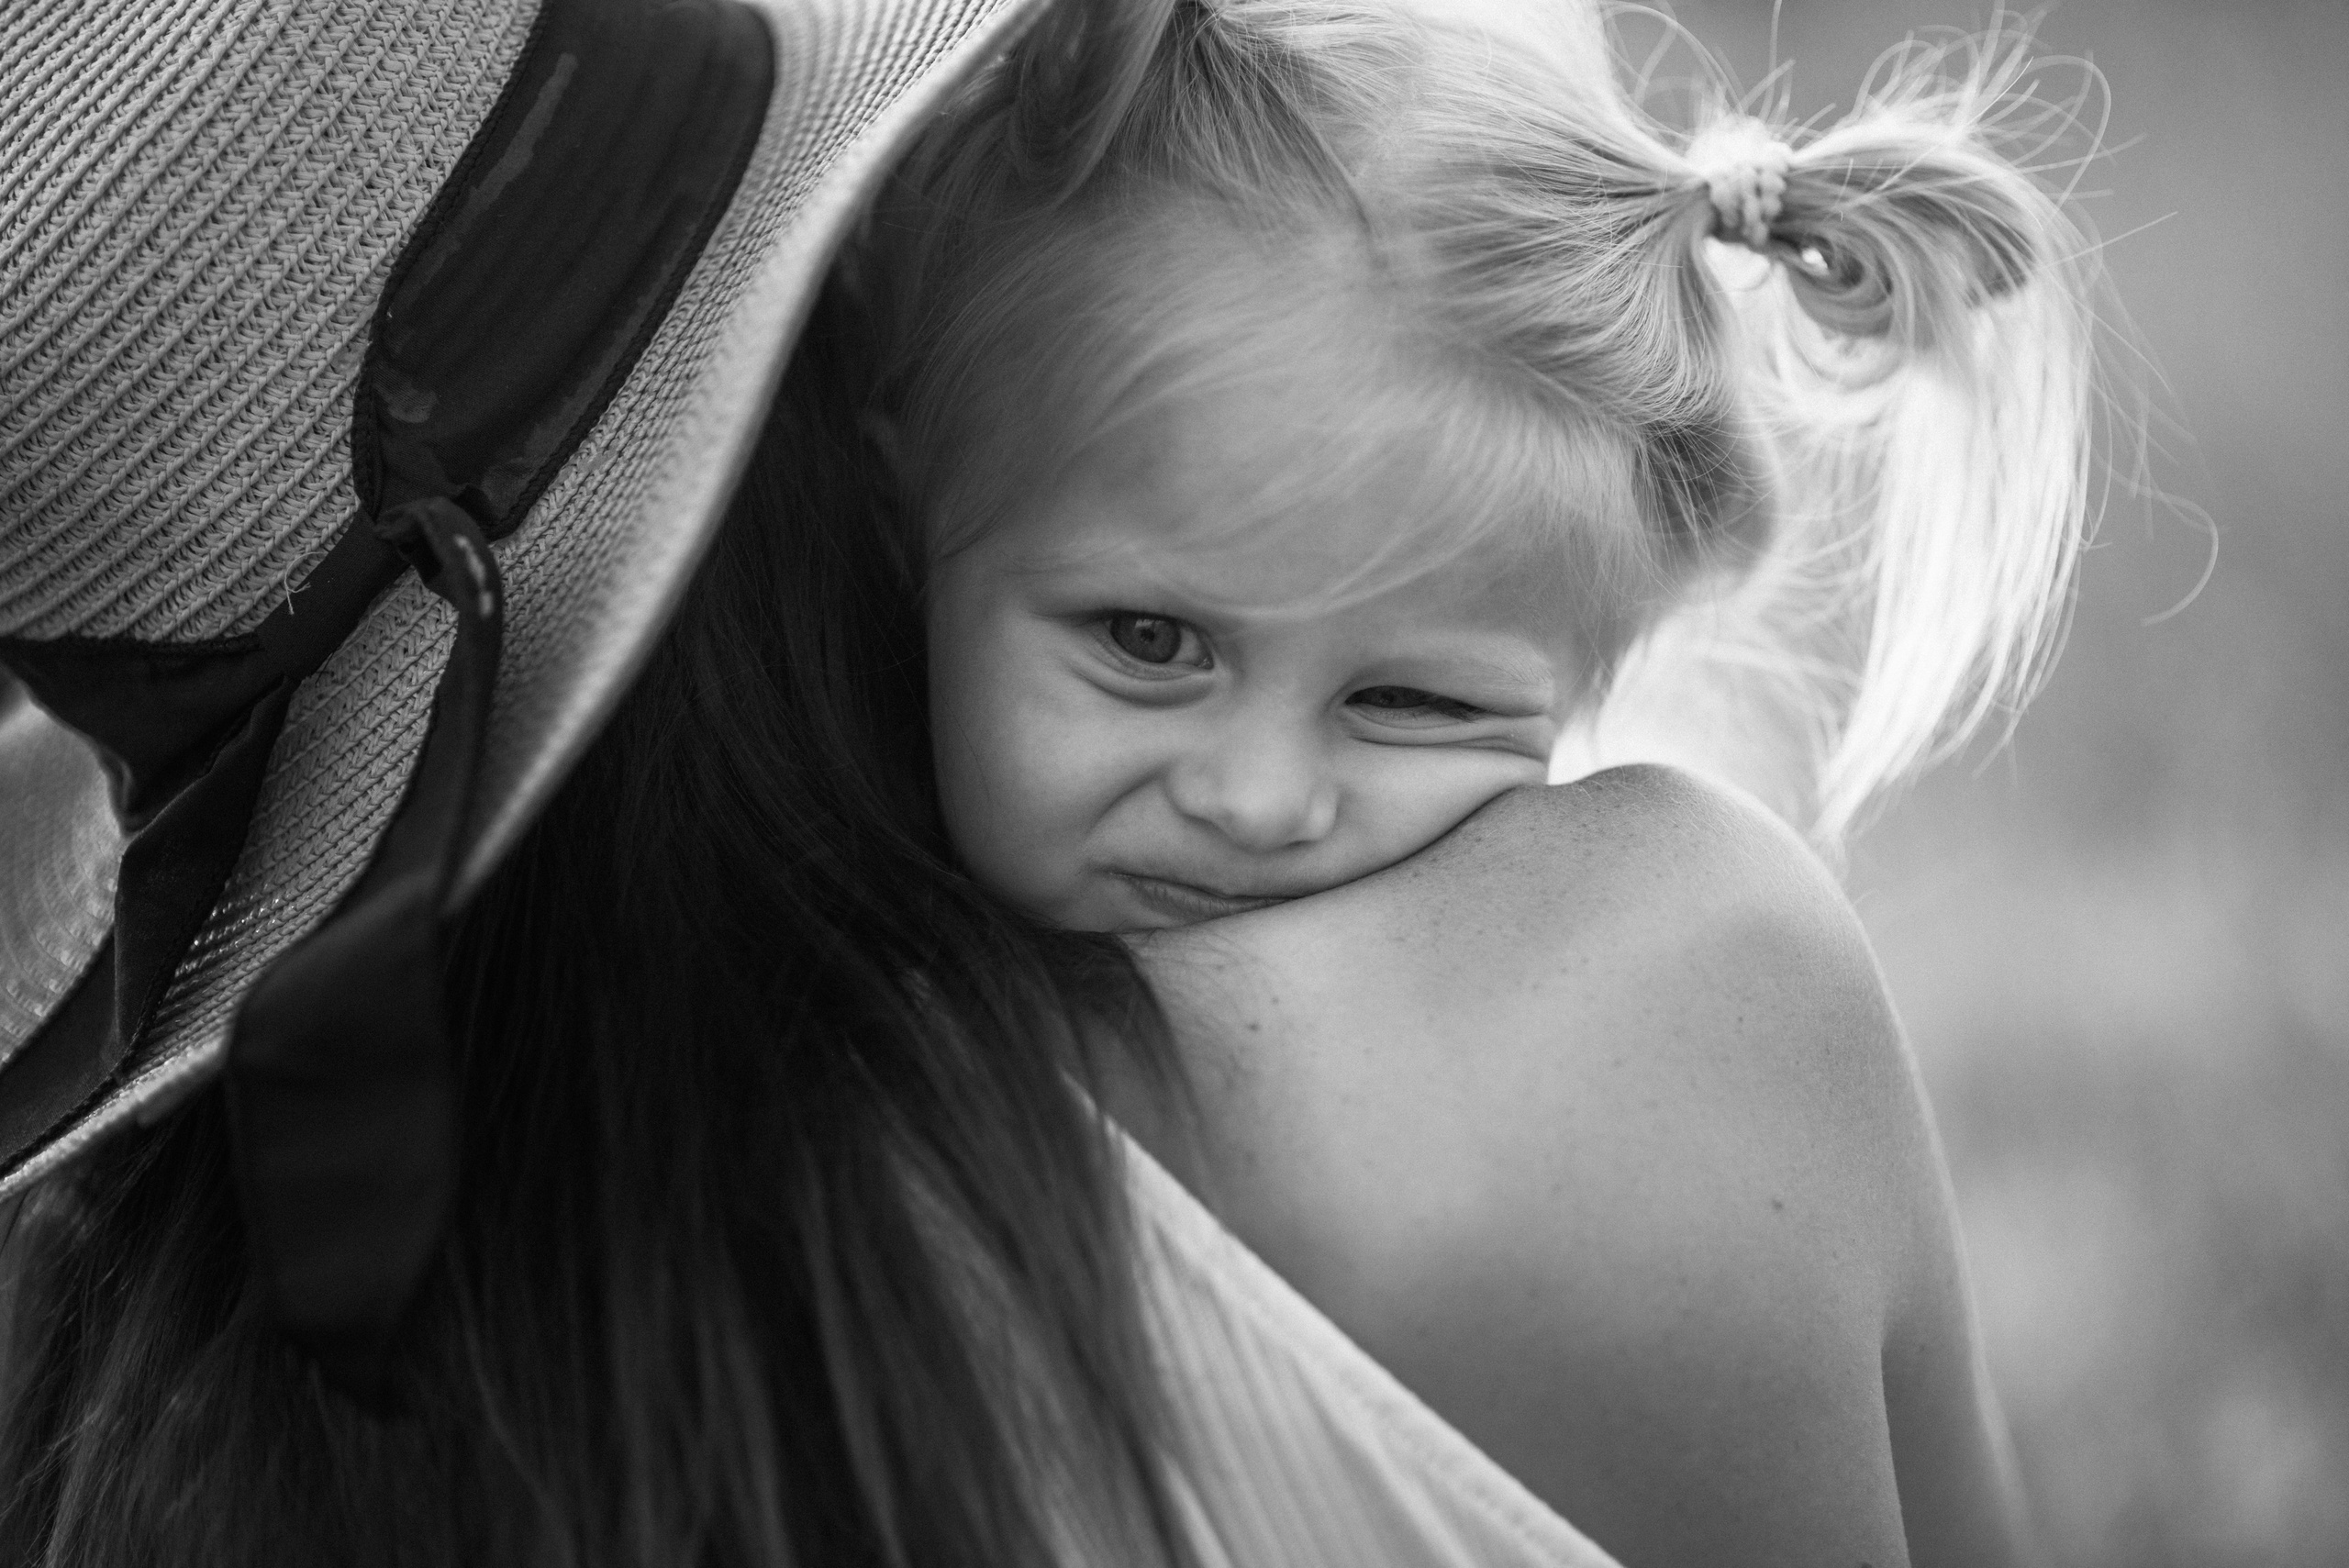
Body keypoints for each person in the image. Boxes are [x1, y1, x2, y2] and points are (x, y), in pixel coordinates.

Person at [0, 0, 2087, 1564]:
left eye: (1418, 705)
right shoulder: (1669, 1000)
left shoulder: (124, 1357)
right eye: (1153, 644)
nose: (1260, 803)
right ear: (893, 457)